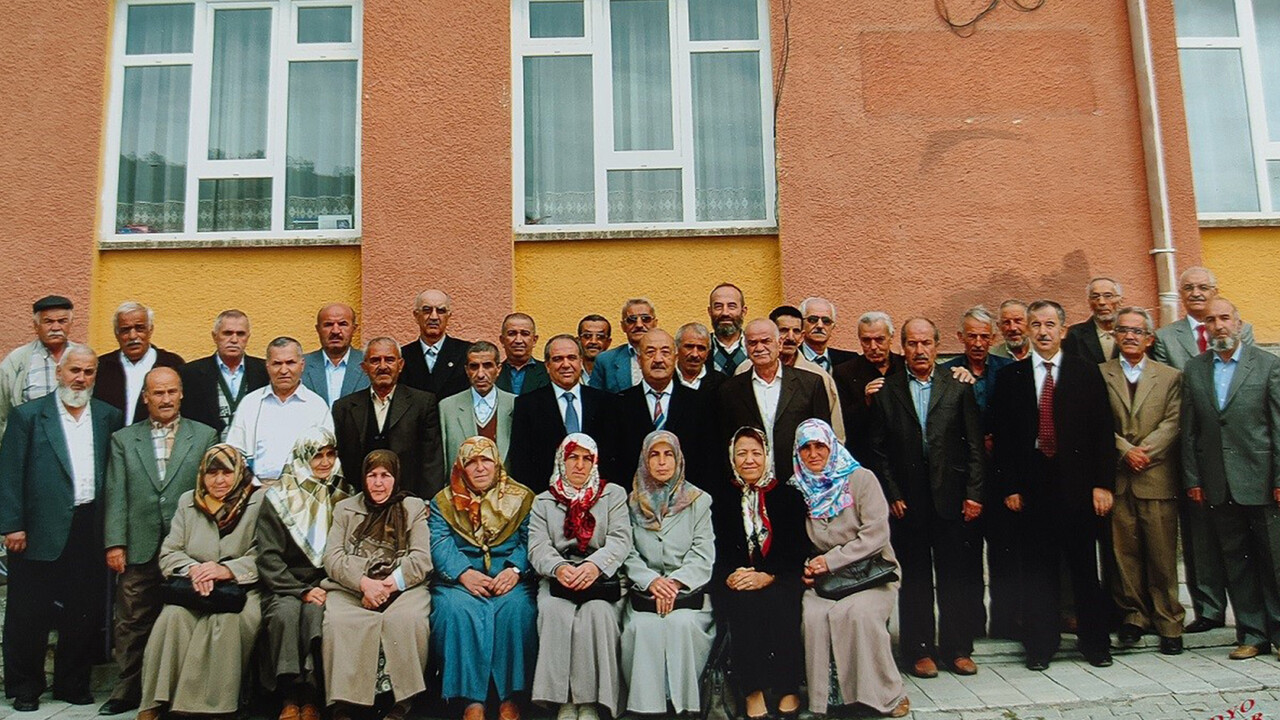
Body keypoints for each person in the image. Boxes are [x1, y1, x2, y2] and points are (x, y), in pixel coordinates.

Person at [989, 300, 1116, 671]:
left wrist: (1102, 485)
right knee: (1038, 571)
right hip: (1033, 486)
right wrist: (1009, 487)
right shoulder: (1010, 378)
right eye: (1036, 324)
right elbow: (1005, 440)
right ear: (1027, 330)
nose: (1043, 331)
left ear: (1063, 330)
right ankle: (1041, 646)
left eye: (1050, 324)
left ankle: (1095, 644)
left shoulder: (1084, 372)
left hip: (1077, 485)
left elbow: (1102, 433)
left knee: (1083, 568)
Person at [0, 346, 123, 711]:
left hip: (89, 526)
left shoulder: (107, 417)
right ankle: (25, 687)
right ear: (59, 372)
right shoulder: (29, 416)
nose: (80, 378)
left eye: (88, 372)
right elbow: (9, 474)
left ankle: (72, 684)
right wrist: (12, 525)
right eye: (74, 371)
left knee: (82, 611)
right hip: (36, 529)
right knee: (28, 613)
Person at [869, 318, 984, 678]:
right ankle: (919, 651)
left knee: (955, 577)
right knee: (915, 579)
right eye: (912, 344)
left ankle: (958, 649)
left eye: (926, 343)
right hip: (909, 504)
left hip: (951, 499)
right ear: (902, 348)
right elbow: (878, 451)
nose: (920, 351)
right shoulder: (887, 391)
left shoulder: (957, 388)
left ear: (937, 345)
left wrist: (974, 494)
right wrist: (893, 494)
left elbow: (975, 447)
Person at [101, 368, 218, 716]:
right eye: (158, 393)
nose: (165, 399)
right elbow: (116, 493)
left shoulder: (204, 435)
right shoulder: (124, 439)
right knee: (132, 620)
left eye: (171, 392)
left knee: (188, 616)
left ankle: (181, 692)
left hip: (188, 547)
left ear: (181, 394)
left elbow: (211, 491)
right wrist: (115, 543)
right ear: (145, 397)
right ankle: (127, 690)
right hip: (139, 544)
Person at [1152, 266, 1255, 633]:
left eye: (1203, 287)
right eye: (1188, 288)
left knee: (1243, 537)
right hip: (1192, 445)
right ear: (1181, 294)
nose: (1196, 293)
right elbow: (1170, 389)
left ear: (1215, 290)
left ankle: (1253, 615)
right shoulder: (1165, 337)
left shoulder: (1244, 329)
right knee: (1200, 537)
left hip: (1238, 452)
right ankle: (1209, 609)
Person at [1181, 297, 1280, 661]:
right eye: (1211, 321)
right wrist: (1194, 477)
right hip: (1218, 483)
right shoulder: (1195, 369)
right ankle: (1252, 634)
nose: (1219, 326)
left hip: (1263, 481)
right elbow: (1189, 430)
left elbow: (1279, 427)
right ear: (1204, 329)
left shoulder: (1267, 366)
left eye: (1225, 318)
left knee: (1275, 561)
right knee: (1236, 563)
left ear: (1238, 324)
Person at [136, 444, 265, 720]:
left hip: (240, 589)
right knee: (172, 618)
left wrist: (226, 570)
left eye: (227, 472)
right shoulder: (189, 501)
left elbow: (264, 555)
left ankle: (211, 708)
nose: (219, 480)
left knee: (226, 622)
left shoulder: (258, 501)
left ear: (239, 472)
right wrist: (195, 570)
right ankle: (156, 702)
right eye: (212, 473)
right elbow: (170, 552)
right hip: (195, 587)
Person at [792, 419, 909, 719]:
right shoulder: (797, 488)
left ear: (832, 447)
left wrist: (830, 560)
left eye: (820, 446)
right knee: (814, 617)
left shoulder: (860, 479)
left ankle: (885, 696)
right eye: (806, 448)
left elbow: (876, 534)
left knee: (858, 614)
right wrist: (808, 566)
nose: (814, 454)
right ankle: (826, 702)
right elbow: (794, 542)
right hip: (825, 581)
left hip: (870, 575)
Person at [429, 437, 537, 720]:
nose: (479, 468)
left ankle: (510, 697)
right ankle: (470, 700)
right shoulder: (443, 501)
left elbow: (531, 539)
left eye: (485, 460)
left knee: (518, 609)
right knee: (456, 611)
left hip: (509, 577)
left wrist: (514, 570)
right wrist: (464, 573)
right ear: (461, 467)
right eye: (471, 462)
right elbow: (439, 543)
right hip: (459, 580)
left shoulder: (522, 497)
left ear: (497, 462)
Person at [322, 450, 433, 720]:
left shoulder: (413, 508)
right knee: (338, 620)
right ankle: (344, 703)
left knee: (409, 619)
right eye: (372, 476)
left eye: (386, 476)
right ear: (363, 478)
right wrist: (364, 584)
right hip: (353, 587)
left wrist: (387, 586)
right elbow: (332, 557)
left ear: (396, 478)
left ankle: (402, 702)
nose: (378, 483)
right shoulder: (345, 508)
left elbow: (421, 558)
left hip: (403, 586)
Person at [528, 434, 631, 720]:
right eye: (573, 457)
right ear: (562, 459)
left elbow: (621, 539)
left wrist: (594, 566)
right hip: (558, 578)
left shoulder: (613, 494)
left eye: (587, 459)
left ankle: (590, 702)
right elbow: (537, 546)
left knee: (597, 614)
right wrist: (560, 568)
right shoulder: (543, 501)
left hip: (603, 577)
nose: (580, 465)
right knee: (555, 612)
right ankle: (565, 701)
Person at [1100, 308, 1184, 655]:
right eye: (1123, 330)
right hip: (1120, 476)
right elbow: (1098, 420)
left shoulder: (1169, 376)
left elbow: (1173, 421)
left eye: (1137, 331)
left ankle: (1168, 622)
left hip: (1156, 474)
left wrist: (1145, 452)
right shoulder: (1100, 374)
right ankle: (1133, 616)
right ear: (1115, 337)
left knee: (1162, 554)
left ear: (1149, 338)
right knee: (1124, 553)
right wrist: (1124, 450)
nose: (1130, 336)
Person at [710, 427, 807, 720]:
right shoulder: (721, 497)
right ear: (732, 458)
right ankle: (752, 692)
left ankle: (787, 687)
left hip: (780, 575)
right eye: (741, 453)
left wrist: (768, 575)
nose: (749, 460)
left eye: (756, 452)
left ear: (766, 456)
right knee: (744, 604)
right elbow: (716, 549)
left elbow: (795, 550)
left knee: (781, 600)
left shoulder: (788, 495)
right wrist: (729, 575)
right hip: (737, 577)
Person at [257, 428, 352, 720]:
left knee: (315, 615)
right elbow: (268, 557)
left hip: (328, 582)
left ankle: (310, 698)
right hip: (285, 584)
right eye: (316, 456)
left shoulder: (346, 494)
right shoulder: (277, 498)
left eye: (329, 454)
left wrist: (320, 588)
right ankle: (288, 698)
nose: (324, 462)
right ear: (303, 458)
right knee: (285, 615)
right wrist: (300, 590)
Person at [620, 430, 715, 716]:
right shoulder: (630, 501)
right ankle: (647, 708)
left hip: (687, 592)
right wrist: (652, 582)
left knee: (681, 625)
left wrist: (673, 583)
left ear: (679, 458)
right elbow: (627, 551)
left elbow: (703, 552)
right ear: (644, 460)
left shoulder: (699, 501)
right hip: (645, 592)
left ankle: (683, 705)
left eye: (668, 454)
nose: (662, 462)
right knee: (644, 628)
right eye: (654, 454)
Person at [941, 306, 1014, 639]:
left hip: (1001, 476)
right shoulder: (947, 372)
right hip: (965, 479)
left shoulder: (1010, 370)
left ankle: (1006, 622)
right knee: (966, 556)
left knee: (1005, 552)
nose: (979, 342)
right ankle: (970, 625)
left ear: (994, 338)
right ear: (960, 338)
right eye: (972, 336)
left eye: (985, 336)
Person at [718, 319, 830, 484]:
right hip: (751, 486)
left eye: (766, 341)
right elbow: (724, 440)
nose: (759, 348)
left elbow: (824, 438)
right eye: (752, 343)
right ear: (745, 347)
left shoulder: (811, 384)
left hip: (800, 483)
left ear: (779, 343)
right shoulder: (730, 390)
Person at [333, 338, 446, 498]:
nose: (383, 366)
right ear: (364, 367)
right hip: (359, 501)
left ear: (400, 365)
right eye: (375, 361)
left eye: (389, 360)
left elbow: (431, 460)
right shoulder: (344, 408)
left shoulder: (422, 403)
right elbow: (342, 460)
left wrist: (427, 501)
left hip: (407, 500)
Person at [510, 336, 617, 494]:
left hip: (598, 499)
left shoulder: (605, 402)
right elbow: (521, 461)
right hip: (547, 501)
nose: (566, 365)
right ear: (547, 365)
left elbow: (613, 454)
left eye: (572, 358)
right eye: (558, 359)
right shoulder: (527, 405)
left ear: (580, 361)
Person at [227, 337, 333, 483]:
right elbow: (234, 453)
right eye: (277, 363)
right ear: (267, 366)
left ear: (302, 365)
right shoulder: (250, 403)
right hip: (257, 490)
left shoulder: (317, 406)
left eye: (290, 363)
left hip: (304, 492)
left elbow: (327, 458)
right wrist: (253, 485)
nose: (284, 370)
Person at [735, 306, 846, 443]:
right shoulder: (744, 371)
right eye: (784, 330)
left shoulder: (817, 377)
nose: (790, 337)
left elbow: (832, 432)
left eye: (796, 331)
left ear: (802, 337)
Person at [616, 329, 710, 485]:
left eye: (665, 352)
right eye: (650, 352)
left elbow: (706, 458)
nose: (658, 359)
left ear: (675, 358)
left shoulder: (699, 403)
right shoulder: (618, 404)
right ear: (639, 360)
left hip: (687, 500)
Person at [0, 295, 83, 439]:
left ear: (71, 324)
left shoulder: (83, 357)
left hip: (75, 440)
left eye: (62, 321)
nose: (56, 327)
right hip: (32, 444)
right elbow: (2, 412)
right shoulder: (17, 361)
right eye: (48, 322)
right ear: (36, 326)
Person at [179, 310, 269, 439]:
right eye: (227, 333)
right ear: (215, 336)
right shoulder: (190, 374)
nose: (234, 340)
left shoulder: (264, 371)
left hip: (252, 451)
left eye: (240, 334)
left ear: (248, 337)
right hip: (207, 453)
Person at [94, 302, 184, 425]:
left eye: (139, 328)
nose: (133, 336)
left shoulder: (171, 364)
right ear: (116, 334)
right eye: (125, 330)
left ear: (150, 329)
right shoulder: (102, 367)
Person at [833, 311, 904, 464]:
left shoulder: (905, 366)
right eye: (866, 340)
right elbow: (842, 422)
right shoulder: (844, 372)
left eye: (879, 340)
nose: (873, 347)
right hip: (865, 456)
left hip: (903, 455)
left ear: (891, 338)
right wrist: (865, 402)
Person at [439, 341, 516, 472]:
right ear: (467, 370)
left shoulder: (515, 404)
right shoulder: (447, 407)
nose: (480, 374)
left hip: (506, 489)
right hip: (461, 489)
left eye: (487, 366)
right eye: (474, 367)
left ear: (498, 369)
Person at [400, 289, 471, 401]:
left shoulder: (466, 353)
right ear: (416, 316)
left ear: (449, 316)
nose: (434, 317)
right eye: (427, 310)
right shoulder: (402, 356)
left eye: (441, 311)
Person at [301, 303, 369, 408]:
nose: (335, 331)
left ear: (354, 329)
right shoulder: (300, 365)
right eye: (328, 324)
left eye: (342, 324)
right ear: (318, 329)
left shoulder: (369, 364)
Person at [590, 298, 658, 393]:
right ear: (623, 326)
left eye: (645, 319)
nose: (639, 325)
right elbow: (594, 401)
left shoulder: (671, 357)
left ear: (655, 323)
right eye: (631, 320)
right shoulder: (605, 361)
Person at [1063, 278, 1124, 363]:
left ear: (1120, 300)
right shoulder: (1076, 334)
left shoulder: (1133, 333)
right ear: (1089, 302)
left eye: (1108, 296)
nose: (1101, 302)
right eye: (1095, 297)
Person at [496, 313, 550, 396]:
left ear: (534, 340)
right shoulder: (493, 373)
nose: (518, 340)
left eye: (525, 334)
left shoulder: (548, 372)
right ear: (502, 340)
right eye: (512, 334)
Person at [798, 297, 857, 370]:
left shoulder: (850, 361)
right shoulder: (789, 358)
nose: (820, 325)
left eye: (826, 321)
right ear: (801, 323)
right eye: (813, 320)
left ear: (833, 326)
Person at [707, 283, 748, 376]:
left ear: (743, 311)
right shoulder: (700, 348)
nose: (725, 313)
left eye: (731, 306)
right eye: (718, 307)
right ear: (710, 311)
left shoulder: (755, 346)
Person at [674, 322, 722, 394]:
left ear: (707, 353)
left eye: (701, 348)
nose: (695, 354)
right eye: (689, 347)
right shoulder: (664, 380)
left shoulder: (721, 384)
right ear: (677, 349)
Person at [577, 315, 613, 386]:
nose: (593, 341)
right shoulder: (569, 371)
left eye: (600, 337)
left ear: (608, 342)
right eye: (587, 336)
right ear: (578, 341)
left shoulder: (615, 373)